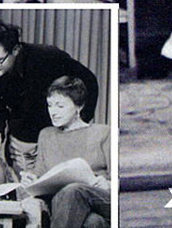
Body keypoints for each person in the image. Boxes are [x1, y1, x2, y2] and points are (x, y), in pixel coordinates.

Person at [0, 22, 99, 174]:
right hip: (20, 144)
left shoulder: (47, 57)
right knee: (25, 187)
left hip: (56, 141)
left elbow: (89, 81)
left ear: (15, 50)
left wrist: (81, 120)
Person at [21, 77, 110, 228]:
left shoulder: (103, 132)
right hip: (64, 206)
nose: (53, 112)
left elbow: (119, 178)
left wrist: (108, 183)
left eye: (60, 106)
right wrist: (31, 180)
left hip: (100, 199)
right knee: (92, 222)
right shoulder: (46, 135)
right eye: (50, 105)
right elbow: (40, 177)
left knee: (73, 190)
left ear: (79, 106)